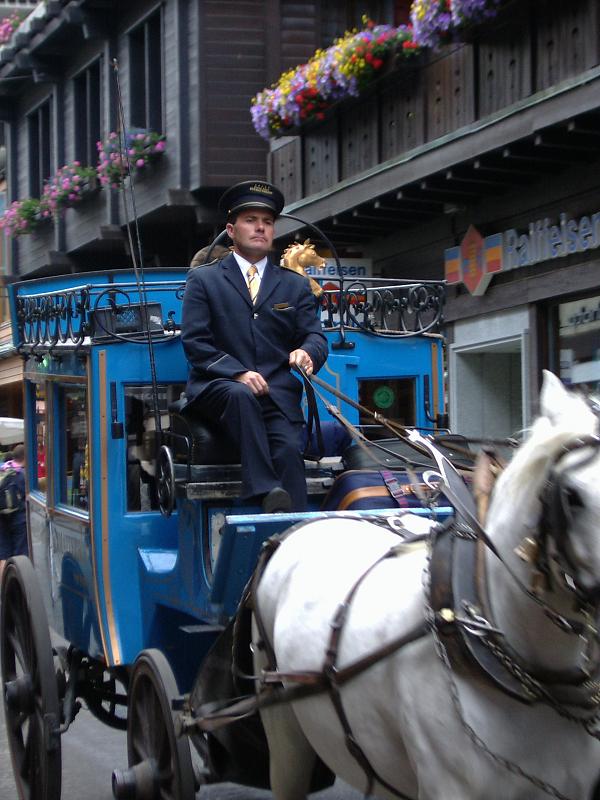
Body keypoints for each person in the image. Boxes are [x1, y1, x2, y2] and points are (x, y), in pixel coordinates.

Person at [181, 180, 328, 512]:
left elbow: (316, 337)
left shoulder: (295, 285)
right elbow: (195, 343)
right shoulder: (204, 280)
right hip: (218, 388)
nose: (260, 227)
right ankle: (263, 487)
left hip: (276, 395)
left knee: (290, 450)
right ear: (231, 230)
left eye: (268, 222)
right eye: (251, 220)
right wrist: (238, 373)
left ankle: (293, 533)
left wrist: (307, 353)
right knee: (241, 394)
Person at [0, 443, 27, 579]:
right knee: (19, 556)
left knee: (4, 555)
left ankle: (2, 590)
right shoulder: (21, 474)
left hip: (2, 518)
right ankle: (17, 587)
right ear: (25, 457)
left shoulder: (3, 470)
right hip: (18, 520)